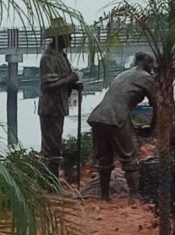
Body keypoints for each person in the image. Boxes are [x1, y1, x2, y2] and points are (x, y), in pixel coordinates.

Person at [86, 52, 158, 200]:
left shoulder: (123, 74)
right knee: (129, 158)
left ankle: (104, 196)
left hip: (98, 116)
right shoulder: (146, 78)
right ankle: (134, 196)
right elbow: (156, 105)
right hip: (116, 118)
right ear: (149, 64)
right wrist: (152, 127)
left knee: (104, 160)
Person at [35, 25, 83, 173]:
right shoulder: (48, 57)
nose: (70, 39)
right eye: (67, 37)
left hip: (59, 107)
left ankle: (53, 181)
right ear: (58, 38)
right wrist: (70, 79)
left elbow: (63, 79)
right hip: (50, 109)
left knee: (56, 147)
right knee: (52, 150)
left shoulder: (61, 55)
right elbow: (47, 86)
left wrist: (74, 85)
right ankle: (51, 183)